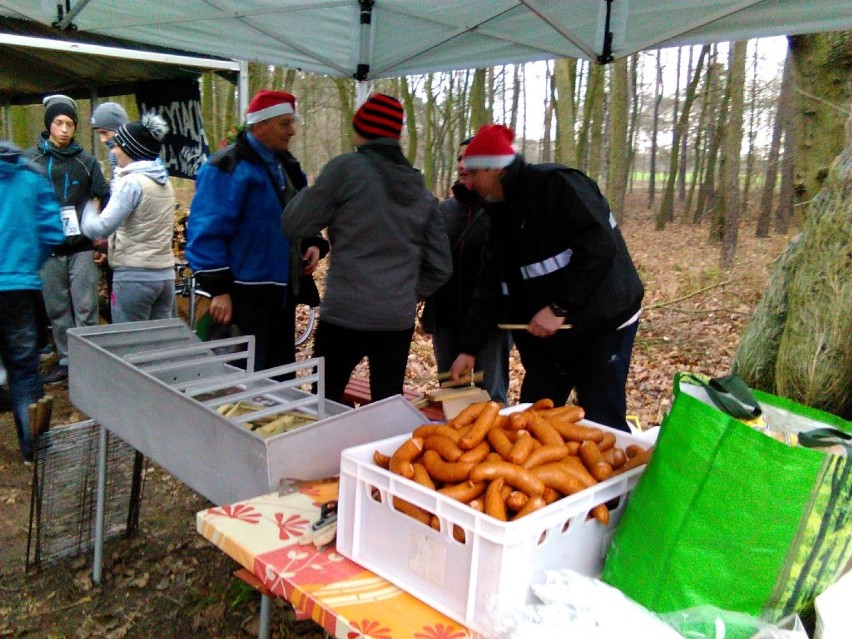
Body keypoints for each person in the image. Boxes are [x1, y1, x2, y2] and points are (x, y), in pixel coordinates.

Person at [449, 124, 644, 431]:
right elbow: (489, 287)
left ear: (492, 169)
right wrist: (468, 349)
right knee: (531, 418)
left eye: (472, 175)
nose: (468, 184)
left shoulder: (558, 186)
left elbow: (599, 247)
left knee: (600, 414)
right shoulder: (498, 215)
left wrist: (557, 307)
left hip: (603, 323)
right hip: (551, 340)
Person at [282, 93, 452, 404]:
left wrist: (319, 189)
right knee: (387, 405)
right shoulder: (419, 188)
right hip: (395, 319)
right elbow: (441, 266)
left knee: (324, 401)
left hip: (346, 313)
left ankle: (322, 454)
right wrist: (407, 293)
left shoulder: (346, 169)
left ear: (362, 130)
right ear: (396, 137)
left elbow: (294, 224)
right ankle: (381, 453)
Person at [186, 90, 327, 370]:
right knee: (244, 380)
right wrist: (219, 290)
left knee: (278, 376)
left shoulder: (286, 165)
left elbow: (298, 210)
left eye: (292, 123)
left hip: (282, 293)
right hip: (244, 297)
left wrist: (311, 241)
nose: (292, 132)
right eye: (284, 124)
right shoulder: (227, 166)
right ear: (260, 124)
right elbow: (205, 231)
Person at [421, 138, 511, 405]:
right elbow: (430, 262)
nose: (463, 165)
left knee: (491, 398)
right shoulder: (443, 210)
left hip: (492, 325)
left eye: (469, 160)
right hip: (447, 322)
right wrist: (430, 313)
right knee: (451, 395)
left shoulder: (502, 211)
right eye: (460, 159)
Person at [26, 95, 108, 384]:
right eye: (58, 123)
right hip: (48, 251)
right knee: (57, 309)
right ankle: (66, 360)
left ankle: (88, 361)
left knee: (86, 307)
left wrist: (100, 236)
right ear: (49, 124)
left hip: (81, 247)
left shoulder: (86, 162)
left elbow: (106, 196)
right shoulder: (31, 161)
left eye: (70, 124)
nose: (64, 129)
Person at [0, 139, 65, 462]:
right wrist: (28, 265)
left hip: (18, 282)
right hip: (19, 289)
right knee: (25, 370)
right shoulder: (32, 175)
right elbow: (54, 235)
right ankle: (35, 450)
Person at [81, 113, 176, 323]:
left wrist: (86, 211)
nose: (113, 151)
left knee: (130, 345)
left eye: (116, 147)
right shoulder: (164, 181)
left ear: (130, 149)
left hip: (135, 277)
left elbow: (101, 227)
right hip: (165, 276)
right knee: (162, 343)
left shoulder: (132, 183)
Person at [90, 101, 130, 322]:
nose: (103, 140)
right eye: (99, 134)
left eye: (106, 132)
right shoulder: (115, 161)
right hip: (117, 253)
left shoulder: (131, 162)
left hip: (132, 264)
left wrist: (101, 235)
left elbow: (123, 211)